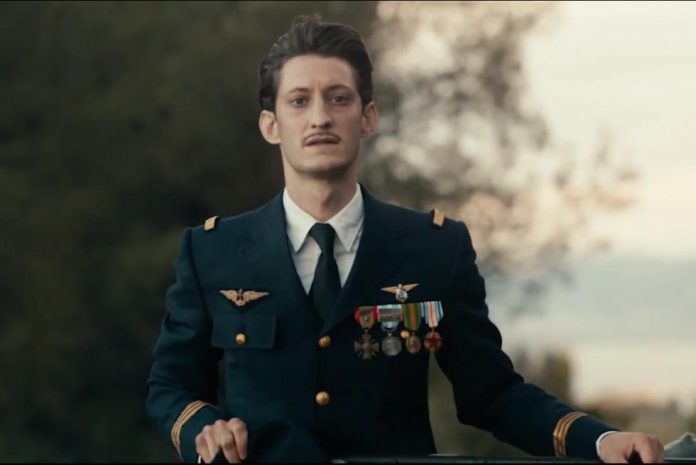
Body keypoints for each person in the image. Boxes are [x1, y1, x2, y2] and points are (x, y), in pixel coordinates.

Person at [145, 15, 665, 464]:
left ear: (368, 117)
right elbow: (170, 386)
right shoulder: (212, 252)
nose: (320, 116)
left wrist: (601, 440)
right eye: (299, 101)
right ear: (271, 125)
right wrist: (202, 428)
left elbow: (492, 394)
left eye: (339, 98)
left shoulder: (434, 248)